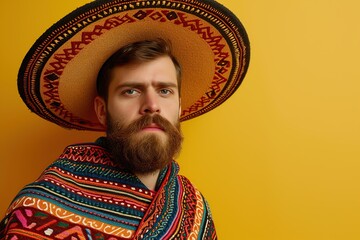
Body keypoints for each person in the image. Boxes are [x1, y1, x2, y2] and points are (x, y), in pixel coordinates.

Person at [0, 0, 250, 239]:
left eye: (165, 91)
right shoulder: (40, 209)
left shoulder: (194, 210)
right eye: (131, 91)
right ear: (101, 109)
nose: (152, 105)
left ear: (180, 107)